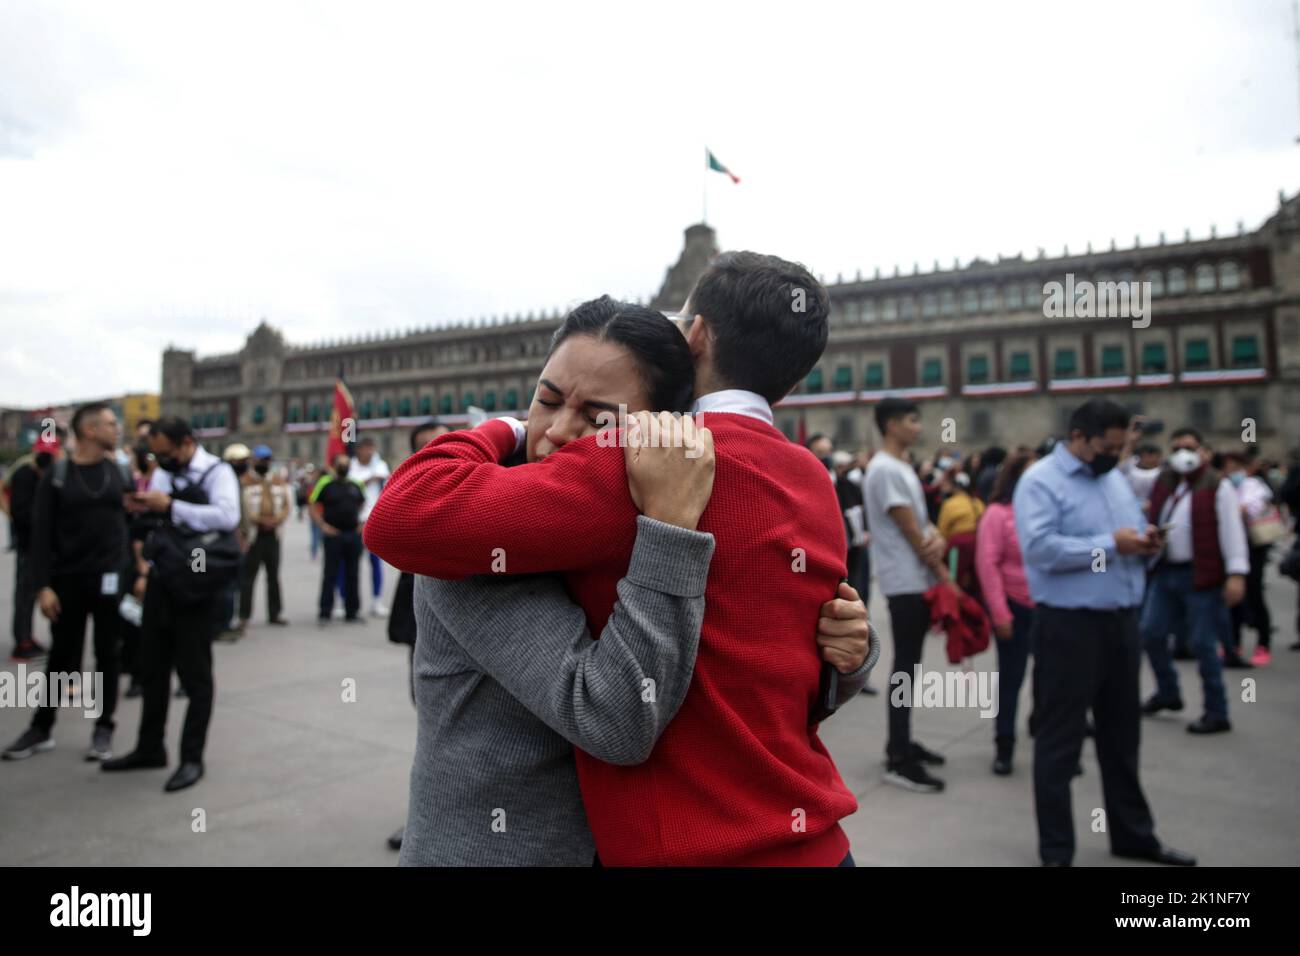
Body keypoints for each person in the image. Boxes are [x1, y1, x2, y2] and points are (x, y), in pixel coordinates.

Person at [368, 256, 871, 867]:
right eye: (545, 400)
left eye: (601, 419)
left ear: (696, 340)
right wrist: (851, 658)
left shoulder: (632, 465)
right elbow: (790, 680)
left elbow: (401, 514)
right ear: (791, 382)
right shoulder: (813, 480)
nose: (555, 433)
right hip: (817, 843)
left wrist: (497, 432)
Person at [1014, 397, 1195, 867]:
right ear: (1078, 438)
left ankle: (1133, 834)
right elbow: (1041, 549)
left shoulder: (1112, 479)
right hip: (1069, 626)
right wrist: (1110, 545)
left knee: (1122, 735)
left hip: (1121, 620)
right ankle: (1057, 851)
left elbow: (1128, 533)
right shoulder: (1041, 482)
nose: (1115, 455)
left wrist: (1144, 542)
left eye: (1120, 447)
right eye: (1107, 446)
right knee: (1060, 743)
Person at [101, 416, 241, 792]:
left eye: (166, 453)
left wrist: (171, 506)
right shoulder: (163, 472)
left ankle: (192, 758)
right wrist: (145, 509)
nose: (160, 460)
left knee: (195, 675)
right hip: (163, 578)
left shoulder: (217, 471)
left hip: (196, 580)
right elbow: (158, 521)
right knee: (152, 668)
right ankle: (150, 747)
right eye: (156, 454)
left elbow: (228, 517)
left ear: (185, 444)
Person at [2, 403, 129, 762]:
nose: (116, 429)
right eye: (108, 424)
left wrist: (134, 570)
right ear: (88, 430)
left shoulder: (119, 473)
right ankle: (41, 728)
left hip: (108, 581)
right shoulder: (57, 477)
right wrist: (42, 585)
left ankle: (104, 727)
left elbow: (133, 523)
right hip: (67, 581)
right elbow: (40, 537)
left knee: (108, 655)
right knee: (61, 657)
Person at [863, 398, 955, 793]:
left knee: (910, 667)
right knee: (904, 667)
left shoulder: (900, 468)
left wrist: (938, 541)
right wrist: (942, 573)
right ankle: (898, 755)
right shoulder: (884, 470)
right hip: (905, 582)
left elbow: (924, 524)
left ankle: (902, 741)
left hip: (916, 578)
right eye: (912, 420)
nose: (918, 427)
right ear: (892, 425)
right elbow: (909, 530)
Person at [1138, 428, 1247, 734]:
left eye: (1189, 447)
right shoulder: (1164, 482)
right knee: (1151, 633)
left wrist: (1236, 573)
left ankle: (1217, 710)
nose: (1182, 454)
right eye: (1176, 448)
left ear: (1202, 451)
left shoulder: (1216, 484)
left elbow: (1231, 531)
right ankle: (1168, 691)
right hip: (1165, 570)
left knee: (1202, 644)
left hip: (1201, 573)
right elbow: (1126, 476)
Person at [385, 419, 449, 853]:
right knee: (427, 718)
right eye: (425, 449)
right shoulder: (409, 500)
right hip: (421, 626)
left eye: (444, 443)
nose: (437, 454)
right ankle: (425, 817)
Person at [975, 449, 1035, 775]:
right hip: (1014, 607)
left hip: (1048, 607)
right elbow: (988, 565)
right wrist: (1000, 614)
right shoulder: (998, 515)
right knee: (1011, 679)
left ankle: (1043, 729)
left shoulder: (1044, 511)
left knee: (1051, 676)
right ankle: (1005, 743)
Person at [7, 433, 62, 662]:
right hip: (29, 545)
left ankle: (27, 637)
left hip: (44, 546)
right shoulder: (24, 474)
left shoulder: (52, 474)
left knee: (34, 595)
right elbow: (21, 513)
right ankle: (22, 642)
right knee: (25, 595)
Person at [1221, 449, 1275, 666]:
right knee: (1232, 598)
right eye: (1229, 467)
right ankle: (1233, 644)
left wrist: (1237, 509)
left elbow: (1252, 507)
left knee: (1254, 593)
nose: (1233, 471)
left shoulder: (1254, 485)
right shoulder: (1223, 487)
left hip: (1253, 546)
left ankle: (1263, 643)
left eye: (1237, 467)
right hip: (1230, 547)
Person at [237, 445, 291, 632]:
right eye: (261, 459)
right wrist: (259, 520)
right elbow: (242, 510)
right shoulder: (245, 481)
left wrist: (277, 520)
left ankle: (275, 613)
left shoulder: (277, 481)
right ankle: (244, 615)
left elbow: (286, 505)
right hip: (254, 535)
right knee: (248, 577)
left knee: (273, 576)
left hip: (273, 535)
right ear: (254, 460)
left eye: (267, 459)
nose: (264, 463)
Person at [310, 454, 366, 625]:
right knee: (330, 574)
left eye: (346, 464)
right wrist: (323, 527)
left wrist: (361, 525)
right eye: (340, 464)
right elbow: (312, 505)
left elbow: (363, 504)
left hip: (352, 535)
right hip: (333, 535)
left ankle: (352, 612)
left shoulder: (356, 484)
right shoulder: (325, 483)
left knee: (353, 574)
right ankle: (325, 612)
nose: (344, 466)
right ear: (334, 466)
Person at [348, 437, 391, 618]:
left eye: (372, 448)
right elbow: (354, 486)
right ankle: (346, 599)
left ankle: (376, 600)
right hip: (355, 521)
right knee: (350, 564)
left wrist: (371, 477)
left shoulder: (379, 464)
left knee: (375, 563)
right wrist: (369, 479)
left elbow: (384, 478)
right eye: (366, 448)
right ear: (359, 450)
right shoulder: (351, 466)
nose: (369, 452)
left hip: (373, 521)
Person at [215, 443, 251, 640]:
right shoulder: (227, 481)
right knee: (228, 585)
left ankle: (227, 621)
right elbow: (232, 516)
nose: (244, 465)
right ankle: (222, 625)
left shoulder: (234, 480)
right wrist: (240, 539)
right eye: (241, 461)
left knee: (234, 584)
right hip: (230, 540)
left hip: (236, 538)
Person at [937, 468, 985, 601]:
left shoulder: (949, 504)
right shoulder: (978, 503)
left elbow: (943, 530)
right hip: (978, 544)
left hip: (957, 548)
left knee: (955, 580)